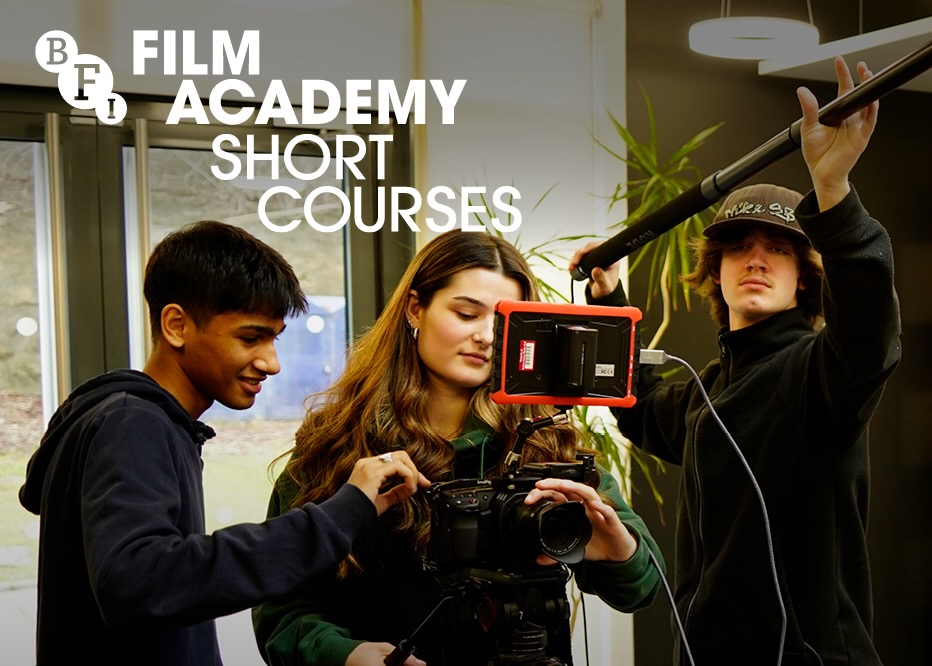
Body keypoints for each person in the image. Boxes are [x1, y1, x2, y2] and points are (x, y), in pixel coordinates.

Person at [569, 57, 901, 665]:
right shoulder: (709, 389)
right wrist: (610, 298)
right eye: (739, 249)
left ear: (803, 280)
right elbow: (637, 407)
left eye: (777, 249)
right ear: (714, 273)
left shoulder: (823, 374)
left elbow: (871, 332)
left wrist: (832, 192)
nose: (756, 260)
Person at [18, 220, 429, 666]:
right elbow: (138, 582)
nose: (270, 363)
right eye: (250, 337)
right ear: (176, 325)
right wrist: (341, 514)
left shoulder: (147, 422)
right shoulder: (131, 423)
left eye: (274, 339)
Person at [252, 229, 665, 666]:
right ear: (416, 308)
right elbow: (283, 608)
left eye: (503, 321)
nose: (487, 336)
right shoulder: (337, 442)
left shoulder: (547, 442)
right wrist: (346, 655)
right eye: (467, 314)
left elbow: (642, 588)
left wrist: (621, 550)